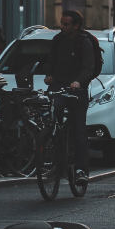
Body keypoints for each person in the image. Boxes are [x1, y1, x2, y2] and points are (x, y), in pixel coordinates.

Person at [43, 10, 97, 182]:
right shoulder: (57, 40)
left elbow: (89, 67)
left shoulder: (84, 42)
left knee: (79, 128)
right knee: (51, 120)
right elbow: (51, 60)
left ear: (76, 26)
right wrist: (49, 74)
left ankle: (81, 170)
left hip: (77, 89)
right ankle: (53, 161)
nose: (62, 27)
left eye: (66, 24)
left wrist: (78, 82)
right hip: (58, 85)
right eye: (61, 23)